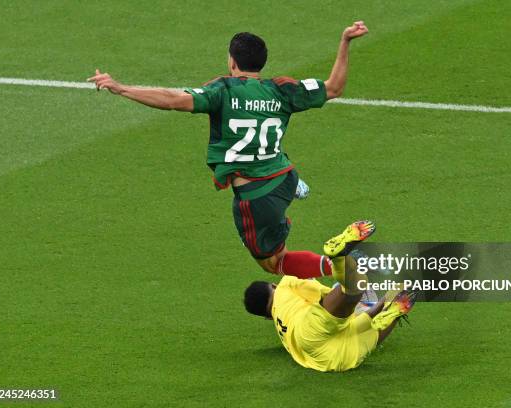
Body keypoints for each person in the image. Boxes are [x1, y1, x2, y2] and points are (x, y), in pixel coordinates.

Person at [87, 22, 369, 279]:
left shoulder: (222, 90)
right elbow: (334, 88)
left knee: (274, 263)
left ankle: (344, 267)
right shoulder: (281, 89)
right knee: (272, 159)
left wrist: (121, 88)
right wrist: (345, 41)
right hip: (284, 176)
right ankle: (295, 186)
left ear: (232, 61)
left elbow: (173, 100)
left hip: (256, 196)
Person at [243, 221, 417, 372]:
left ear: (267, 317)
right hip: (309, 327)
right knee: (352, 291)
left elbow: (350, 324)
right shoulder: (286, 283)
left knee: (360, 333)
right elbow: (331, 297)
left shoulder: (281, 326)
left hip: (325, 358)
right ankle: (342, 260)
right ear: (273, 285)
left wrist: (374, 305)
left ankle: (391, 307)